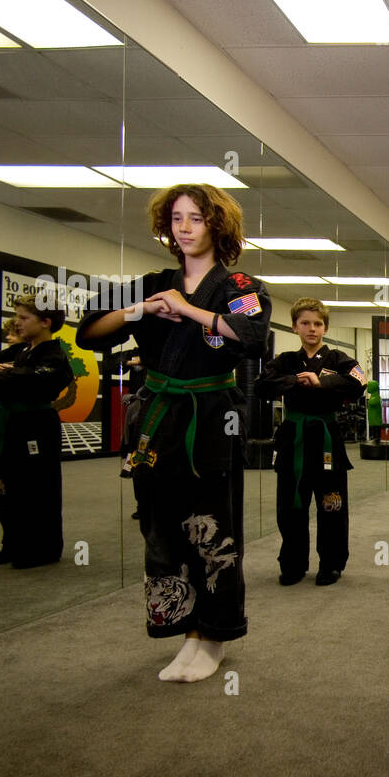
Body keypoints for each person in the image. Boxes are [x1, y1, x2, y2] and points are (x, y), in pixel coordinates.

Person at [75, 183, 271, 683]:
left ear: (217, 226)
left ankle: (216, 633)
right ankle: (185, 630)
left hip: (211, 416)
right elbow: (89, 329)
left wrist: (186, 308)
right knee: (161, 526)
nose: (184, 228)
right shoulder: (152, 282)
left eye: (197, 219)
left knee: (212, 526)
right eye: (177, 218)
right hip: (160, 417)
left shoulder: (240, 284)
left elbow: (249, 336)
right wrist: (142, 310)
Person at [256, 297, 365, 586]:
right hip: (294, 437)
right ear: (295, 327)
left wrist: (322, 382)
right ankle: (292, 563)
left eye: (317, 323)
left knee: (332, 502)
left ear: (325, 327)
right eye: (305, 323)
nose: (312, 328)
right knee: (291, 503)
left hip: (326, 436)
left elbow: (359, 383)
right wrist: (294, 381)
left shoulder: (339, 360)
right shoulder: (285, 361)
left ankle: (331, 563)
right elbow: (261, 386)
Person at [0, 296, 72, 568]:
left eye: (24, 318)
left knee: (38, 486)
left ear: (46, 322)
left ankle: (43, 549)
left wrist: (5, 373)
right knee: (8, 485)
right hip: (10, 424)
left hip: (37, 424)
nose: (17, 323)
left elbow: (39, 379)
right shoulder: (20, 352)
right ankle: (12, 544)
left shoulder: (55, 354)